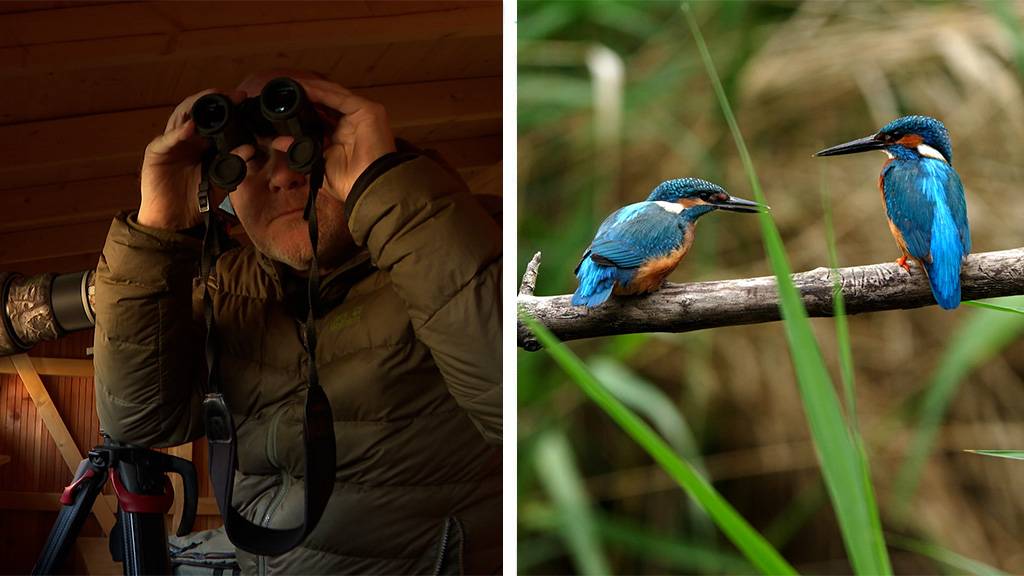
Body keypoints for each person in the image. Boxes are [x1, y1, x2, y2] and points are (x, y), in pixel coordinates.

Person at [92, 70, 501, 574]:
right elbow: (139, 420)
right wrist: (157, 226)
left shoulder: (452, 240)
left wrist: (385, 185)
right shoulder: (229, 286)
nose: (284, 177)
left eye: (305, 147)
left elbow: (518, 406)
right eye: (250, 160)